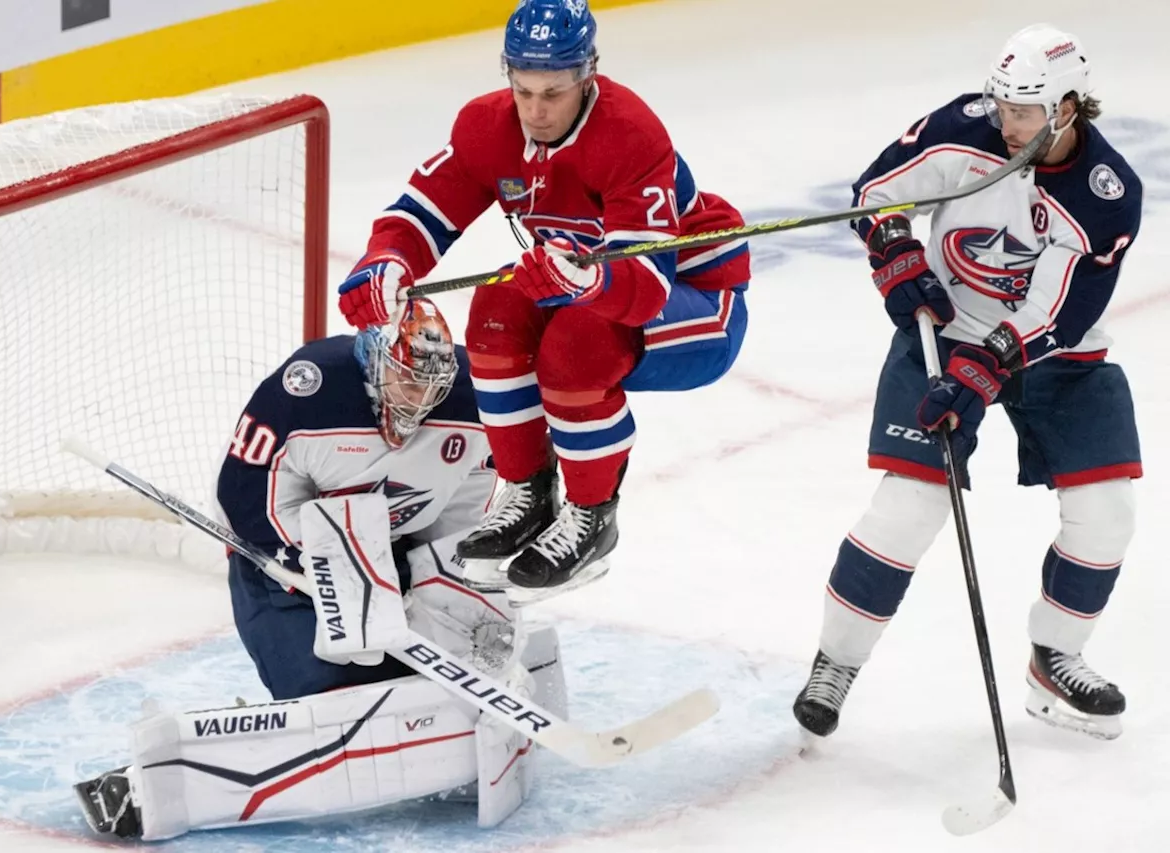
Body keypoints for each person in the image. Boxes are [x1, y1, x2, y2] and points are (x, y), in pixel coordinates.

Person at [74, 300, 566, 840]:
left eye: (432, 388)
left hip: (395, 553)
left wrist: (431, 573)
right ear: (378, 364)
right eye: (406, 384)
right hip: (285, 573)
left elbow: (468, 493)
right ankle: (176, 782)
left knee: (453, 658)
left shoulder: (478, 395)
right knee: (336, 691)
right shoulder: (306, 390)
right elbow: (242, 499)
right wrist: (311, 566)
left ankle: (440, 715)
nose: (419, 401)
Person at [335, 0, 753, 601]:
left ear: (589, 74)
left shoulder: (631, 134)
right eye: (523, 89)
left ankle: (591, 515)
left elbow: (643, 290)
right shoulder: (487, 126)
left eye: (553, 93)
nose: (535, 111)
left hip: (697, 299)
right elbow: (425, 209)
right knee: (494, 315)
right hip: (583, 282)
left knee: (576, 346)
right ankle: (529, 492)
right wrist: (388, 261)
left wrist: (584, 282)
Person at [792, 23, 1142, 741]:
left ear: (1069, 107)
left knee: (1106, 513)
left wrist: (984, 370)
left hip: (1047, 353)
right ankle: (835, 662)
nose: (1009, 124)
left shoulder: (1107, 194)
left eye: (1027, 112)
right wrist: (893, 253)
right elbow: (877, 192)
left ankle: (1057, 654)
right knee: (909, 506)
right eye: (1005, 107)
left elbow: (1059, 313)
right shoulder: (966, 129)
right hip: (943, 332)